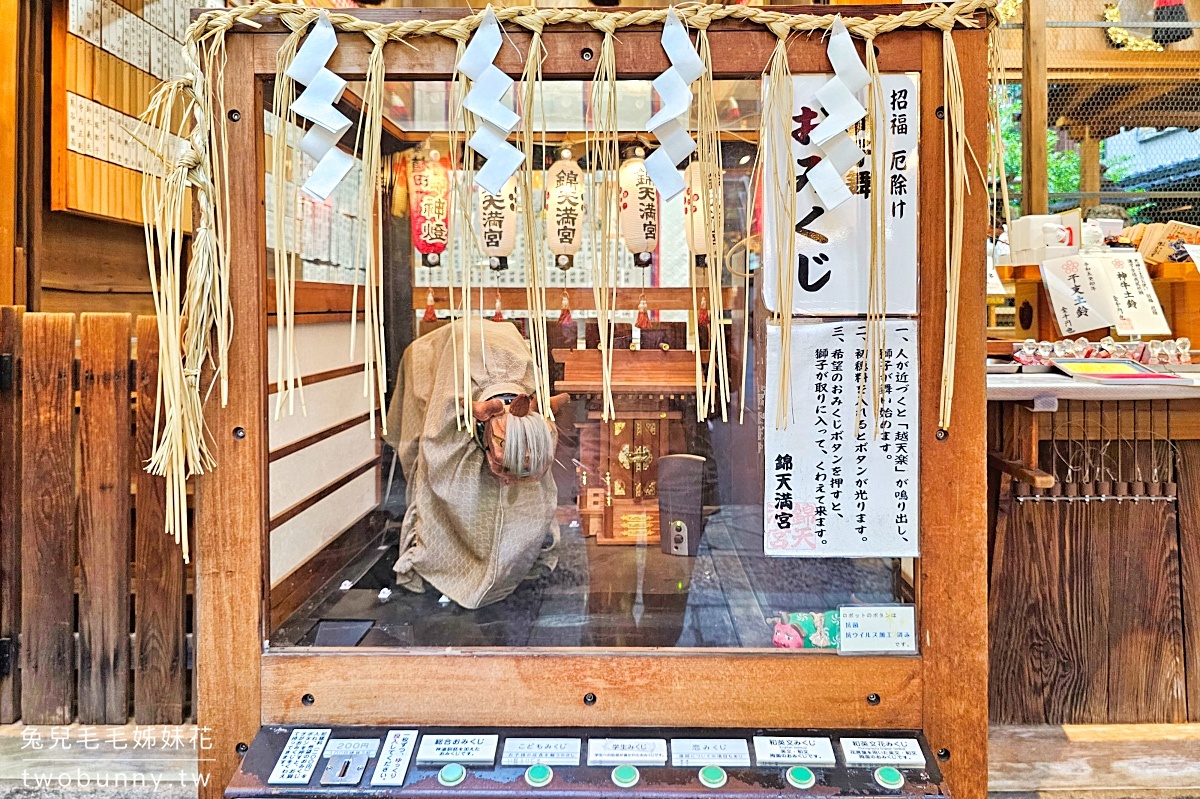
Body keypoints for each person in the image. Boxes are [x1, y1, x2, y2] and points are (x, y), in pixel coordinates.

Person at [383, 317, 568, 609]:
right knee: (448, 482)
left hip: (500, 354)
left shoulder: (528, 383)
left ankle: (515, 560)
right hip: (445, 355)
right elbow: (433, 444)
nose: (507, 478)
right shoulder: (454, 388)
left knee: (530, 497)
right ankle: (447, 567)